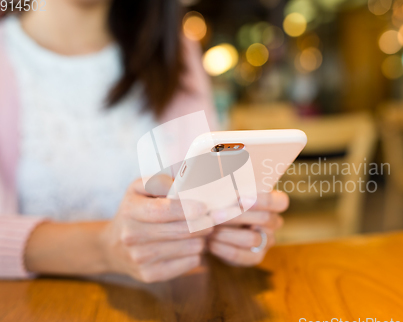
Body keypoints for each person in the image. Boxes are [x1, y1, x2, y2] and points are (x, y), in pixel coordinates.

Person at [0, 0, 288, 282]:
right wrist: (104, 247)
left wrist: (230, 228)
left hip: (170, 309)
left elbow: (202, 200)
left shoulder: (176, 52)